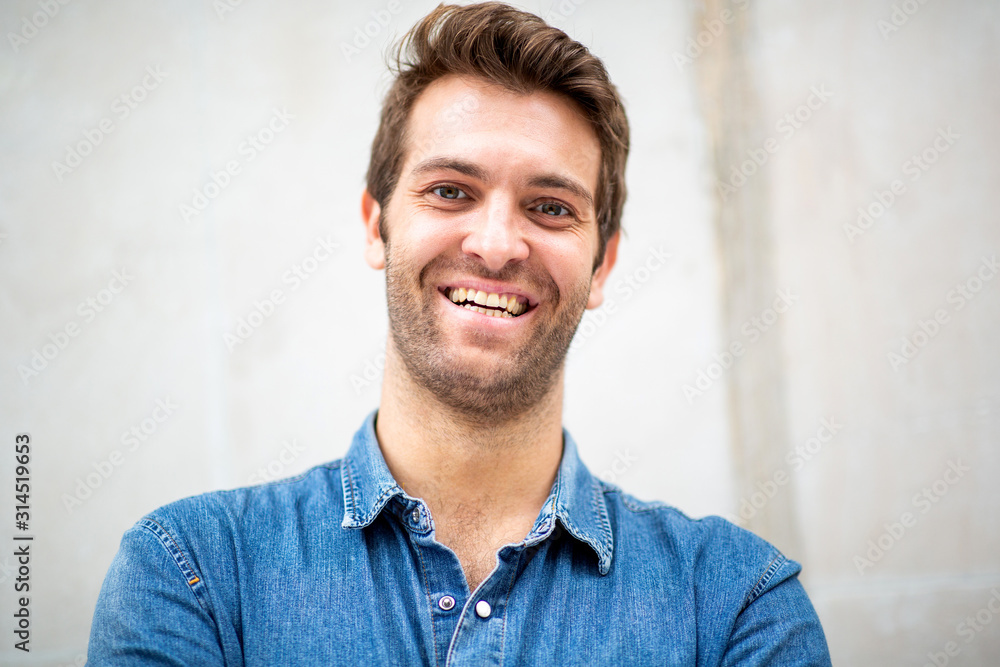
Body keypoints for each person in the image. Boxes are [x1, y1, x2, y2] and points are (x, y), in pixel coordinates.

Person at [89, 3, 831, 664]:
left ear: (602, 263)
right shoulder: (195, 576)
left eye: (550, 206)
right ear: (376, 225)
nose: (498, 242)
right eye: (451, 191)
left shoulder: (735, 605)